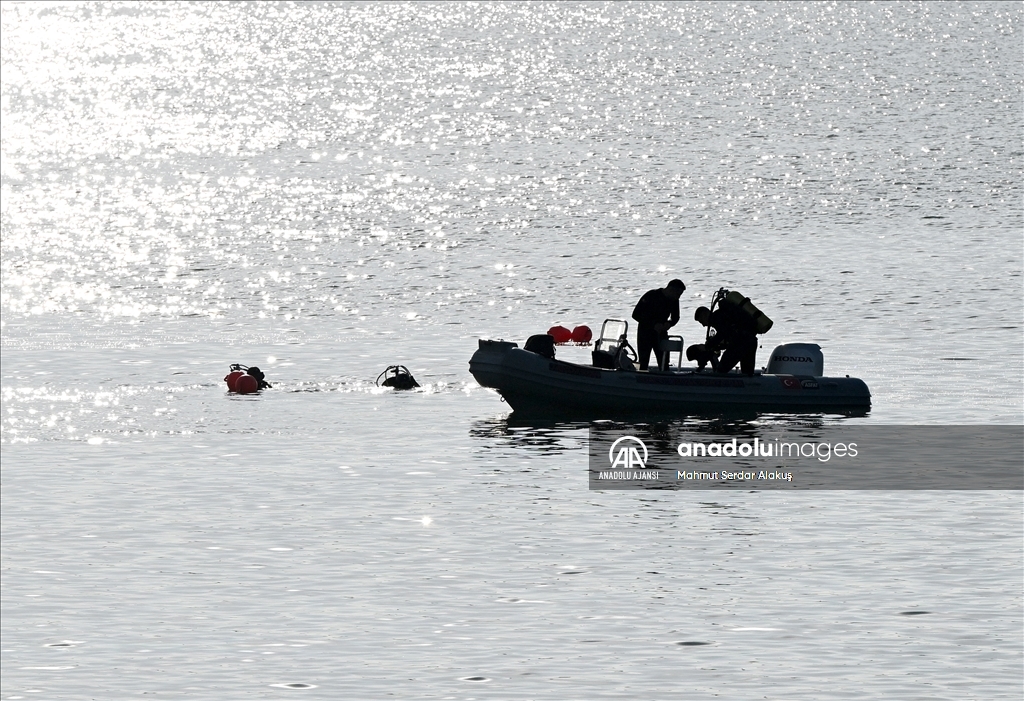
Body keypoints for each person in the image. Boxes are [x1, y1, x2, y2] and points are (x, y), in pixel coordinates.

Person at [631, 279, 685, 371]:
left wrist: (669, 323)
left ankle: (664, 379)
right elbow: (636, 314)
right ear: (671, 290)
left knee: (664, 362)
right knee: (643, 361)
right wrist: (653, 324)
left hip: (661, 333)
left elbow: (675, 317)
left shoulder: (674, 300)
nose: (678, 297)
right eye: (678, 294)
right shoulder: (651, 295)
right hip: (645, 332)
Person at [694, 299, 758, 375]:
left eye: (702, 321)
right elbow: (728, 334)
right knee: (747, 373)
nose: (703, 325)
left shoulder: (717, 317)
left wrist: (708, 346)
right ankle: (751, 385)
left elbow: (722, 334)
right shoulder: (723, 315)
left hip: (740, 344)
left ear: (704, 314)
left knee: (721, 371)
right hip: (751, 341)